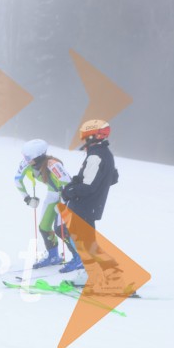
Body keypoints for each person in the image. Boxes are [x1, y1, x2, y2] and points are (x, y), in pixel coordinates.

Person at [61, 119, 124, 293]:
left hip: (85, 205)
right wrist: (78, 181)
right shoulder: (104, 152)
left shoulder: (96, 155)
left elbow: (89, 187)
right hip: (91, 205)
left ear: (94, 135)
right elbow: (112, 178)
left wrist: (69, 191)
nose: (82, 139)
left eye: (85, 135)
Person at [14, 139, 81, 271]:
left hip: (66, 195)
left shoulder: (53, 165)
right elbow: (17, 180)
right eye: (25, 157)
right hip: (52, 194)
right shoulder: (27, 163)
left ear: (38, 157)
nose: (26, 160)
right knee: (44, 227)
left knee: (61, 228)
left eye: (28, 157)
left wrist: (63, 203)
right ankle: (53, 256)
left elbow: (68, 183)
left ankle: (79, 258)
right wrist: (27, 198)